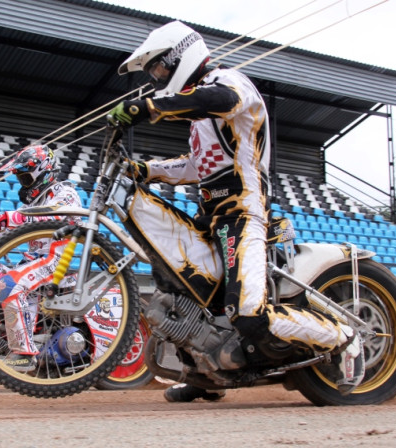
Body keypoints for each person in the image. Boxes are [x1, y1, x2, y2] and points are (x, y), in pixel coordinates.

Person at [109, 21, 365, 402]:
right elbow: (199, 166)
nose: (158, 77)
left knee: (247, 313)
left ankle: (343, 337)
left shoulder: (230, 83)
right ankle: (204, 377)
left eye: (160, 67)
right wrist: (147, 169)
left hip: (243, 210)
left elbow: (221, 100)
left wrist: (149, 107)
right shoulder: (200, 116)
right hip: (211, 213)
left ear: (181, 54)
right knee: (183, 287)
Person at [0, 145, 82, 372]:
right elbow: (11, 228)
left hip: (53, 262)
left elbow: (52, 215)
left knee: (10, 282)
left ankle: (24, 354)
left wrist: (9, 218)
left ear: (44, 172)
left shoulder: (64, 193)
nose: (23, 183)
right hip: (32, 263)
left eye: (26, 177)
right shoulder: (33, 204)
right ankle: (13, 335)